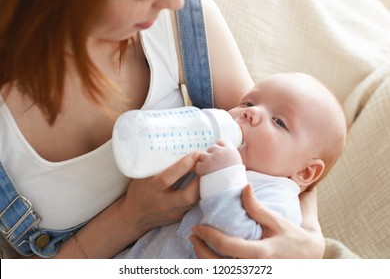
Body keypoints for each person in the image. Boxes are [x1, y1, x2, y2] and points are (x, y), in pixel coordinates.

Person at [0, 0, 324, 259]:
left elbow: (288, 159)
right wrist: (131, 216)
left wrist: (309, 240)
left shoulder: (182, 25)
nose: (174, 3)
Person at [115, 72, 347, 259]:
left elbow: (241, 244)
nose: (251, 112)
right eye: (248, 102)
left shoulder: (280, 199)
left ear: (305, 172)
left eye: (279, 122)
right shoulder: (211, 154)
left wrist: (224, 176)